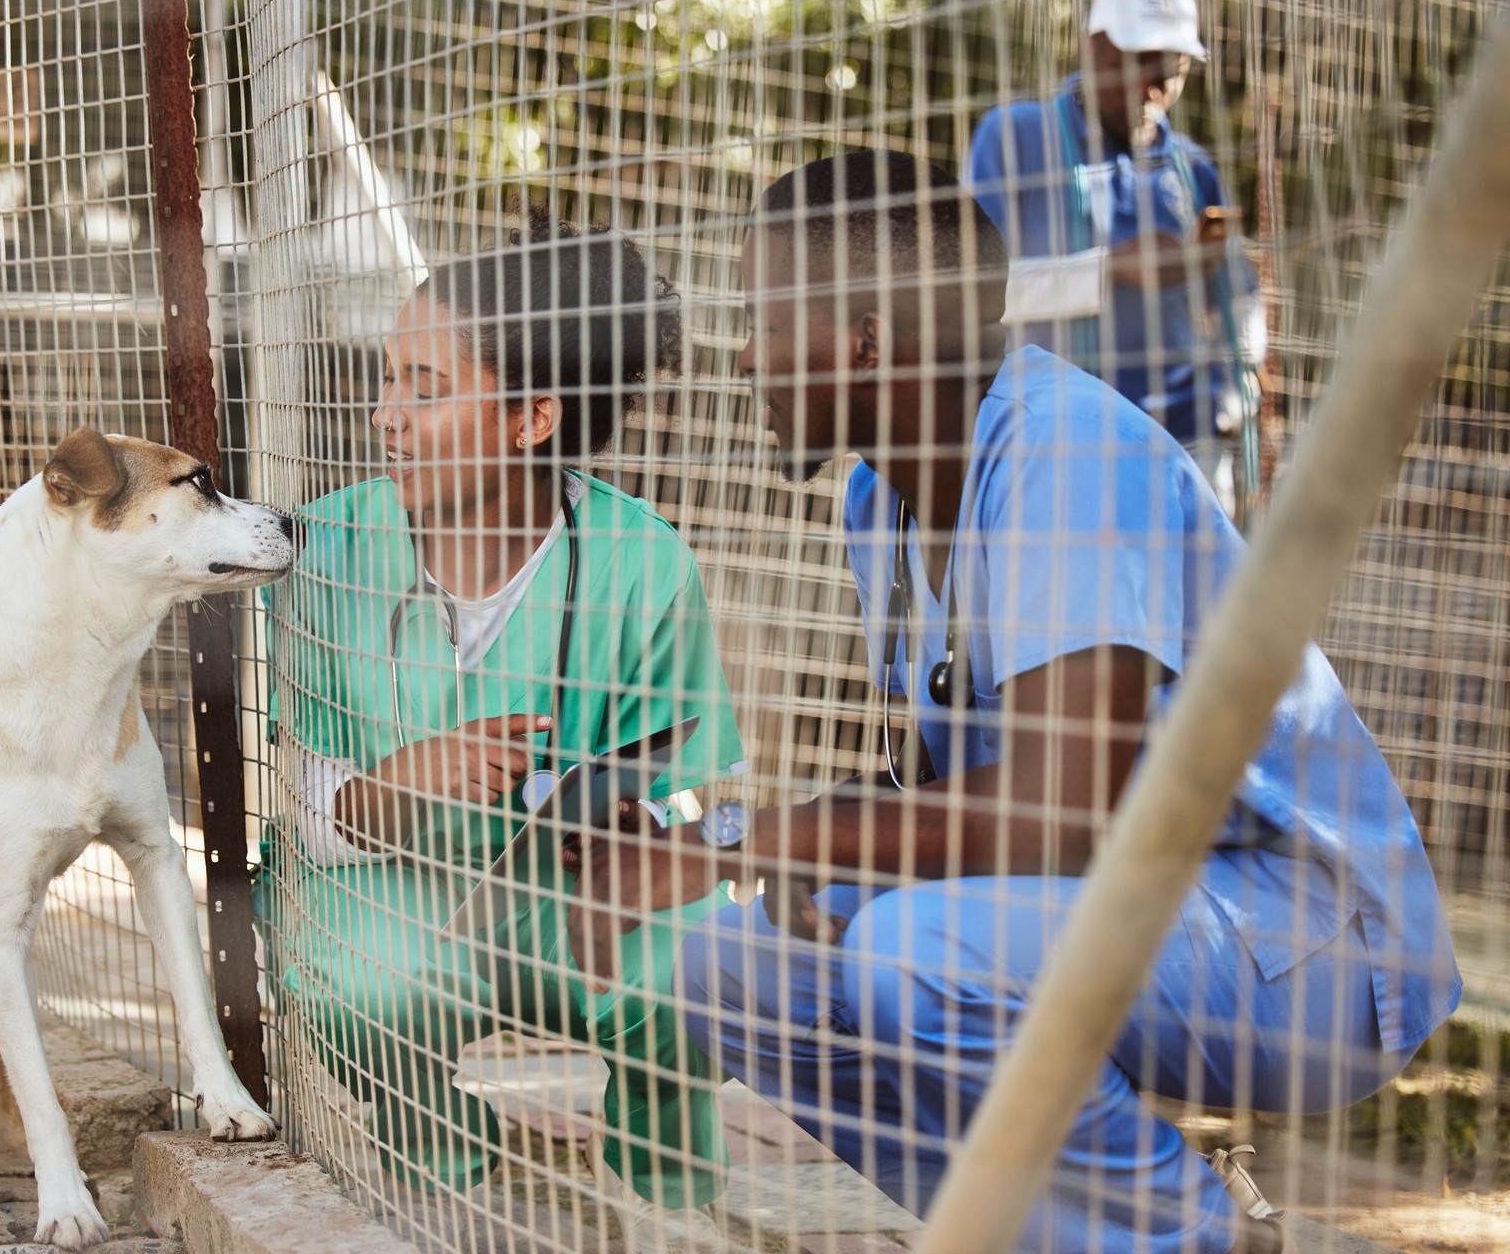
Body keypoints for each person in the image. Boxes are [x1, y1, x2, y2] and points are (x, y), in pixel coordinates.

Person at [568, 152, 1460, 1253]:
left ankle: (1199, 1241)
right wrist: (738, 840)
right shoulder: (875, 498)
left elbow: (1055, 816)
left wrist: (773, 841)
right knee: (729, 965)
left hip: (1314, 949)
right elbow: (948, 788)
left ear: (864, 340)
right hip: (1139, 914)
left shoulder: (1066, 454)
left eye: (764, 318)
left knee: (912, 950)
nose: (746, 355)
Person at [257, 209, 748, 1239]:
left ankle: (661, 1171)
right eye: (390, 378)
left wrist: (647, 835)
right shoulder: (325, 551)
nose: (387, 415)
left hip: (565, 894)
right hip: (384, 885)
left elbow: (702, 787)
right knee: (354, 979)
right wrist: (402, 783)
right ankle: (441, 1156)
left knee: (701, 951)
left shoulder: (643, 562)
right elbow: (294, 806)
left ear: (534, 418)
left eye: (425, 389)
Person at [963, 0, 1264, 513]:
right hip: (1057, 439)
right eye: (1137, 61)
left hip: (1182, 440)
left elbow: (1239, 296)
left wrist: (1233, 391)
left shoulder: (1191, 167)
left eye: (1170, 68)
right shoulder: (1017, 137)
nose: (1153, 86)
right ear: (1091, 52)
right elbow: (972, 290)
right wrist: (1110, 271)